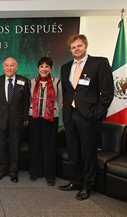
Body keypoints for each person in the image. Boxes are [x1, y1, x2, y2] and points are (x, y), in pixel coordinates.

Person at [59, 34, 114, 200]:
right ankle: (76, 180)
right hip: (70, 115)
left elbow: (107, 91)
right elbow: (70, 92)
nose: (76, 49)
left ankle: (87, 185)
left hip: (88, 116)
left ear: (86, 46)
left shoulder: (99, 63)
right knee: (73, 152)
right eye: (73, 47)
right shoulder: (65, 67)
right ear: (70, 50)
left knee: (89, 153)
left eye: (79, 46)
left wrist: (98, 112)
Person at [0, 57, 29, 183]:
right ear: (3, 67)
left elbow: (26, 102)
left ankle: (13, 171)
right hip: (0, 120)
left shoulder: (24, 80)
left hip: (16, 120)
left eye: (12, 65)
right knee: (1, 146)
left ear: (16, 67)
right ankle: (1, 170)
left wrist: (25, 119)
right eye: (6, 65)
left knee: (14, 146)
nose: (9, 68)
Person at [28, 57, 62, 186]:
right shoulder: (31, 82)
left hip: (50, 118)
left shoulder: (57, 82)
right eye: (41, 66)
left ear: (51, 69)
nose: (44, 69)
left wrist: (54, 110)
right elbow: (28, 99)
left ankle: (50, 175)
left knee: (50, 146)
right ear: (38, 68)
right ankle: (35, 171)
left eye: (47, 66)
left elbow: (60, 100)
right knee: (35, 145)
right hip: (34, 117)